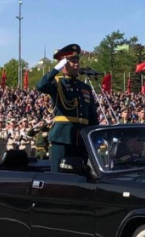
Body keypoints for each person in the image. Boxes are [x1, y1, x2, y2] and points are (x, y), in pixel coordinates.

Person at [36, 43, 99, 172]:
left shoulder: (85, 87)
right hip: (62, 136)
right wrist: (55, 69)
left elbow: (92, 116)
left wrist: (94, 137)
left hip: (81, 137)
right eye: (72, 61)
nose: (76, 64)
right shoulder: (58, 83)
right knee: (58, 175)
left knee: (80, 174)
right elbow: (40, 86)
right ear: (63, 64)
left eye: (77, 61)